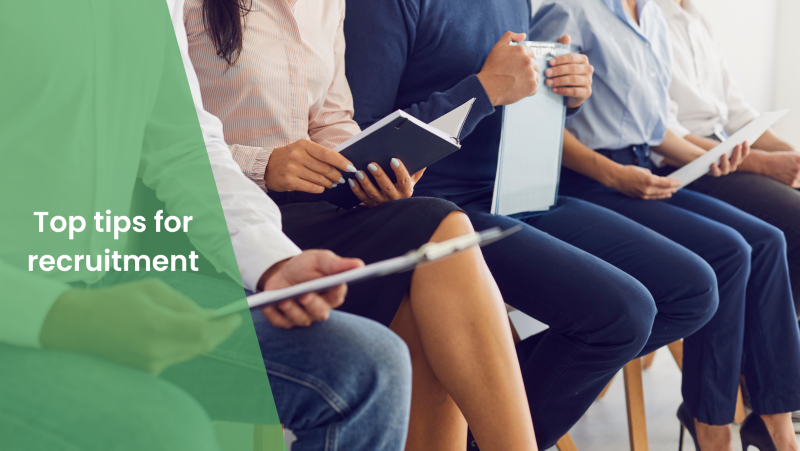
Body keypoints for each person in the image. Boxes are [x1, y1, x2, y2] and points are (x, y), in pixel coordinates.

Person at [0, 0, 413, 449]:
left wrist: (274, 262)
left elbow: (182, 146)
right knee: (166, 430)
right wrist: (59, 313)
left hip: (107, 285)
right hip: (20, 304)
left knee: (369, 366)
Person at [342, 0, 722, 448]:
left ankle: (477, 422)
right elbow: (362, 147)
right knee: (624, 313)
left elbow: (514, 96)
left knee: (693, 290)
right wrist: (481, 91)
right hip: (436, 207)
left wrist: (565, 94)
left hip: (522, 189)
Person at [184, 1, 539, 450]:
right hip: (229, 215)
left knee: (421, 287)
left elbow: (332, 119)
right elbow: (170, 140)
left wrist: (365, 170)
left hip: (316, 206)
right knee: (442, 223)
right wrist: (264, 164)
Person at [528, 1, 800, 450]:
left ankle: (777, 427)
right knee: (729, 252)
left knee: (765, 241)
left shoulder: (651, 16)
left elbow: (656, 131)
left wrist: (721, 160)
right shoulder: (572, 9)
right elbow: (538, 120)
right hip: (592, 180)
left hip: (642, 170)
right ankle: (712, 430)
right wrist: (612, 175)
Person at [654, 0, 800, 315]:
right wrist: (764, 162)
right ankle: (762, 357)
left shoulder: (696, 19)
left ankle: (783, 344)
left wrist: (788, 153)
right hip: (685, 163)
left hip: (729, 149)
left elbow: (736, 112)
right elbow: (665, 135)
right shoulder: (649, 20)